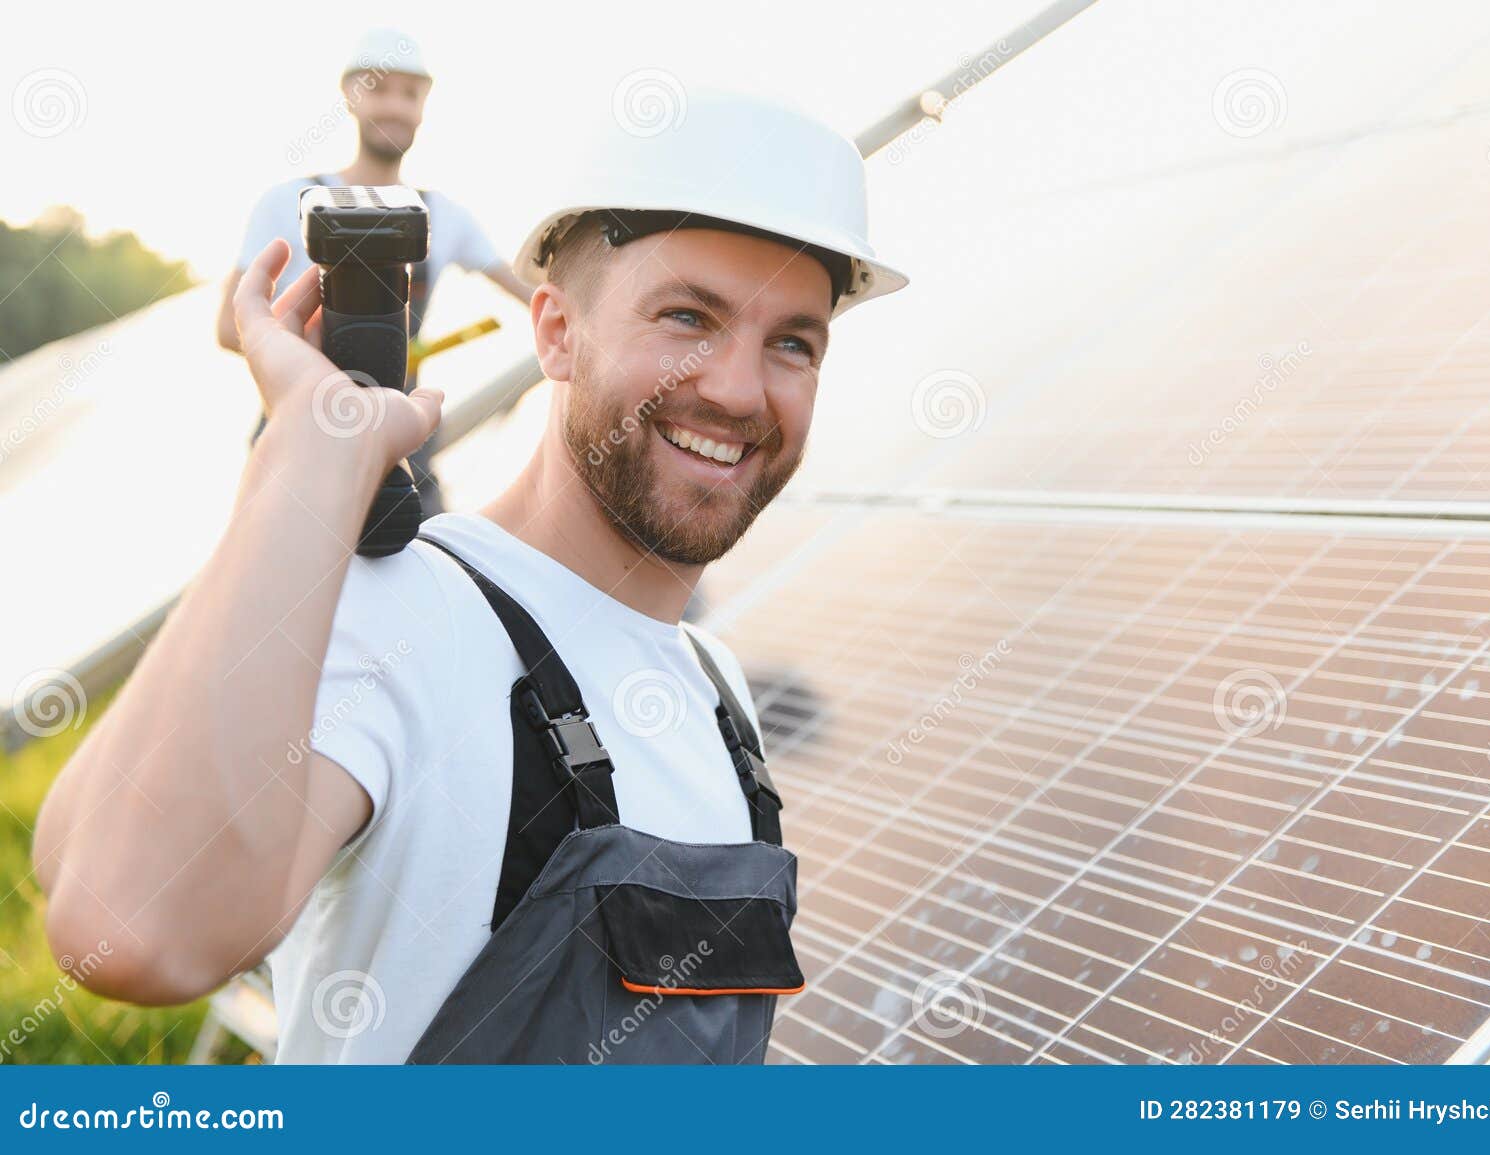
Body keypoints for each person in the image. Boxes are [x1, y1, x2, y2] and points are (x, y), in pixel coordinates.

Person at [34, 87, 907, 1064]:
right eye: (686, 317)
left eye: (792, 341)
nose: (740, 390)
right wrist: (311, 453)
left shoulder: (716, 690)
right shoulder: (405, 615)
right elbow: (136, 931)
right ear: (555, 333)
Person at [215, 27, 532, 518]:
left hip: (401, 452)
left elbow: (536, 294)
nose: (395, 107)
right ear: (349, 95)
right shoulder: (287, 202)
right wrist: (312, 356)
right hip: (297, 446)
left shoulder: (445, 213)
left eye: (410, 94)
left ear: (425, 105)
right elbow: (227, 327)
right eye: (379, 89)